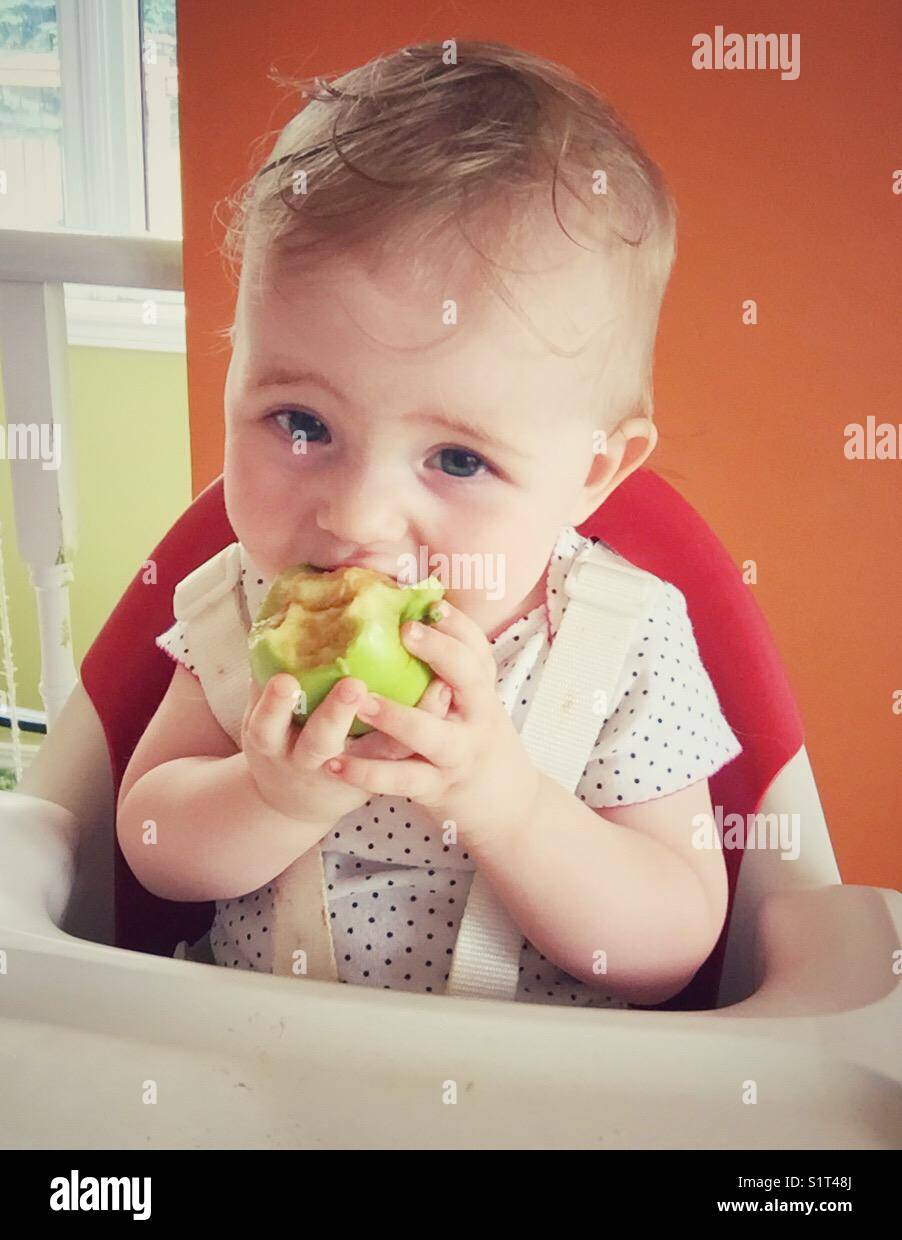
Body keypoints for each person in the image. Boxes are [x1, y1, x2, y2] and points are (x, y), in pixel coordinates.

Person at [118, 39, 742, 1008]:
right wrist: (268, 796)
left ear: (589, 472)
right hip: (260, 1074)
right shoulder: (237, 609)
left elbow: (670, 943)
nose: (357, 518)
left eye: (457, 459)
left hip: (538, 1097)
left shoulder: (617, 641)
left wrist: (505, 799)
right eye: (302, 423)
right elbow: (148, 843)